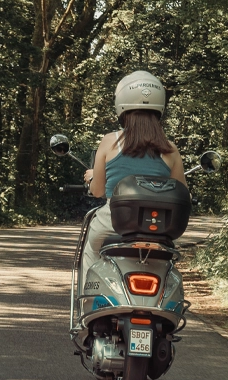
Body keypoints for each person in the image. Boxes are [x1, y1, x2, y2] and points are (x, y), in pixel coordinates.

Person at [79, 71, 186, 283]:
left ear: (121, 107)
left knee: (90, 251)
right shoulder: (170, 149)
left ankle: (88, 303)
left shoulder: (110, 141)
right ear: (160, 110)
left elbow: (98, 191)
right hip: (158, 227)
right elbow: (182, 195)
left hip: (113, 221)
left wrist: (91, 177)